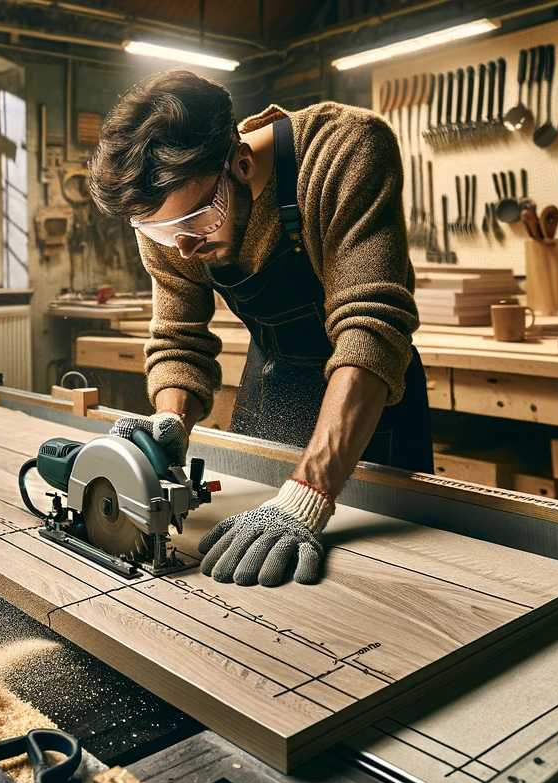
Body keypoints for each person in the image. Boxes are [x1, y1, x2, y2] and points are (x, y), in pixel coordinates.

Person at [88, 70, 431, 588]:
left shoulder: (345, 150)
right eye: (160, 232)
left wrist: (308, 494)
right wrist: (172, 422)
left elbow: (372, 327)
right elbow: (179, 334)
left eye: (199, 223)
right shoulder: (170, 215)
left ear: (241, 163)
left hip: (371, 396)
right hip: (271, 383)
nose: (182, 247)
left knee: (388, 579)